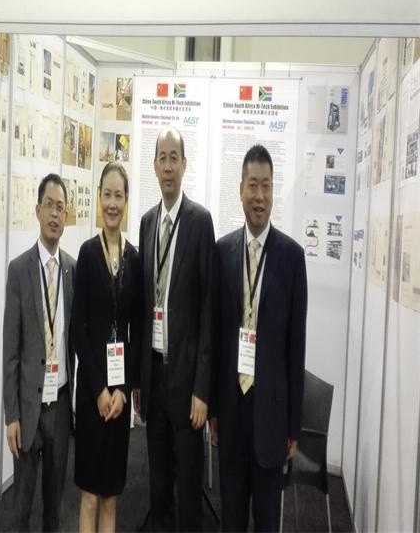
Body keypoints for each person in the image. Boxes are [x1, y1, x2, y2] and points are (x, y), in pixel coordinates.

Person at [213, 144, 307, 532]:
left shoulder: (291, 257)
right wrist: (214, 408)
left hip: (271, 418)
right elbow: (217, 339)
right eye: (253, 185)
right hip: (231, 414)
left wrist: (294, 427)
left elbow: (295, 349)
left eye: (266, 186)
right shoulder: (222, 253)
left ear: (273, 191)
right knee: (232, 520)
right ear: (240, 190)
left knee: (267, 523)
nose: (259, 195)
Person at [133, 127, 215, 531]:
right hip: (154, 376)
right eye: (161, 158)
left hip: (186, 384)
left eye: (173, 158)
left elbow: (209, 311)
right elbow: (142, 307)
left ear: (184, 165)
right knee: (158, 483)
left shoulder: (200, 222)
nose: (167, 167)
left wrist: (203, 389)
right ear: (154, 166)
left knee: (189, 487)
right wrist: (137, 381)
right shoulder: (147, 223)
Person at [2, 173, 76, 532]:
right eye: (49, 205)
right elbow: (10, 351)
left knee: (54, 508)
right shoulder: (19, 271)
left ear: (66, 215)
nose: (55, 214)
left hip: (60, 405)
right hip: (28, 407)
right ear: (37, 210)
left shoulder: (73, 270)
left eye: (61, 208)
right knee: (21, 508)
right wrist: (11, 415)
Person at [72, 162, 142, 533]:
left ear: (126, 201)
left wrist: (122, 390)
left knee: (111, 496)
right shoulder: (86, 254)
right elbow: (78, 329)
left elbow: (136, 332)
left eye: (119, 195)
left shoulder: (135, 259)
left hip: (119, 394)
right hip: (92, 392)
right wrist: (99, 388)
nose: (113, 203)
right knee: (88, 495)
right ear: (100, 198)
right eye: (108, 195)